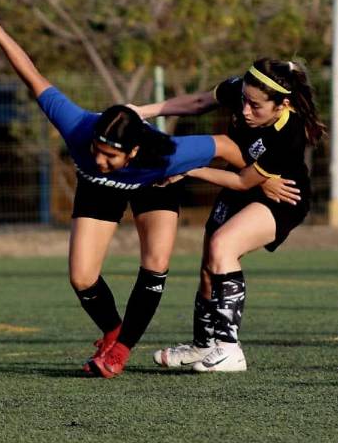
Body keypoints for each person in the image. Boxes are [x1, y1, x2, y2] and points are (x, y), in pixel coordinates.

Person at [0, 0, 298, 378]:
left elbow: (224, 146)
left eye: (111, 155)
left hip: (151, 184)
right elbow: (33, 76)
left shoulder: (166, 155)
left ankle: (120, 350)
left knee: (155, 264)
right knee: (82, 277)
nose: (101, 157)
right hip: (98, 189)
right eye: (97, 150)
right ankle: (112, 329)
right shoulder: (76, 127)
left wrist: (262, 177)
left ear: (135, 150)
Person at [132, 58, 325, 372]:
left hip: (282, 195)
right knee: (209, 264)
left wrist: (189, 167)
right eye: (244, 101)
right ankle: (202, 346)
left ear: (282, 104)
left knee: (223, 246)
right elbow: (197, 102)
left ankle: (230, 349)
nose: (245, 110)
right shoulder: (242, 90)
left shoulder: (290, 132)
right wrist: (142, 111)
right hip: (245, 183)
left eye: (256, 106)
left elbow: (243, 180)